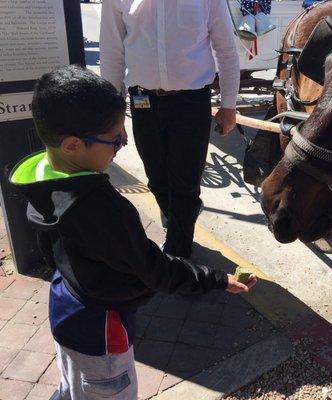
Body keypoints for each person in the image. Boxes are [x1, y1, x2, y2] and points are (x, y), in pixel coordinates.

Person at [10, 66, 256, 400]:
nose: (122, 144)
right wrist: (217, 279)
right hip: (102, 328)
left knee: (71, 388)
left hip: (66, 305)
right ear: (72, 145)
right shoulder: (103, 210)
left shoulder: (46, 179)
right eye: (114, 138)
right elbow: (155, 270)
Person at [100, 0, 240, 259]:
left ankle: (178, 254)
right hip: (143, 102)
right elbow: (111, 53)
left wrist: (229, 105)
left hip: (191, 102)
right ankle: (183, 216)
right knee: (157, 178)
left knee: (185, 182)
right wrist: (114, 116)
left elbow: (226, 49)